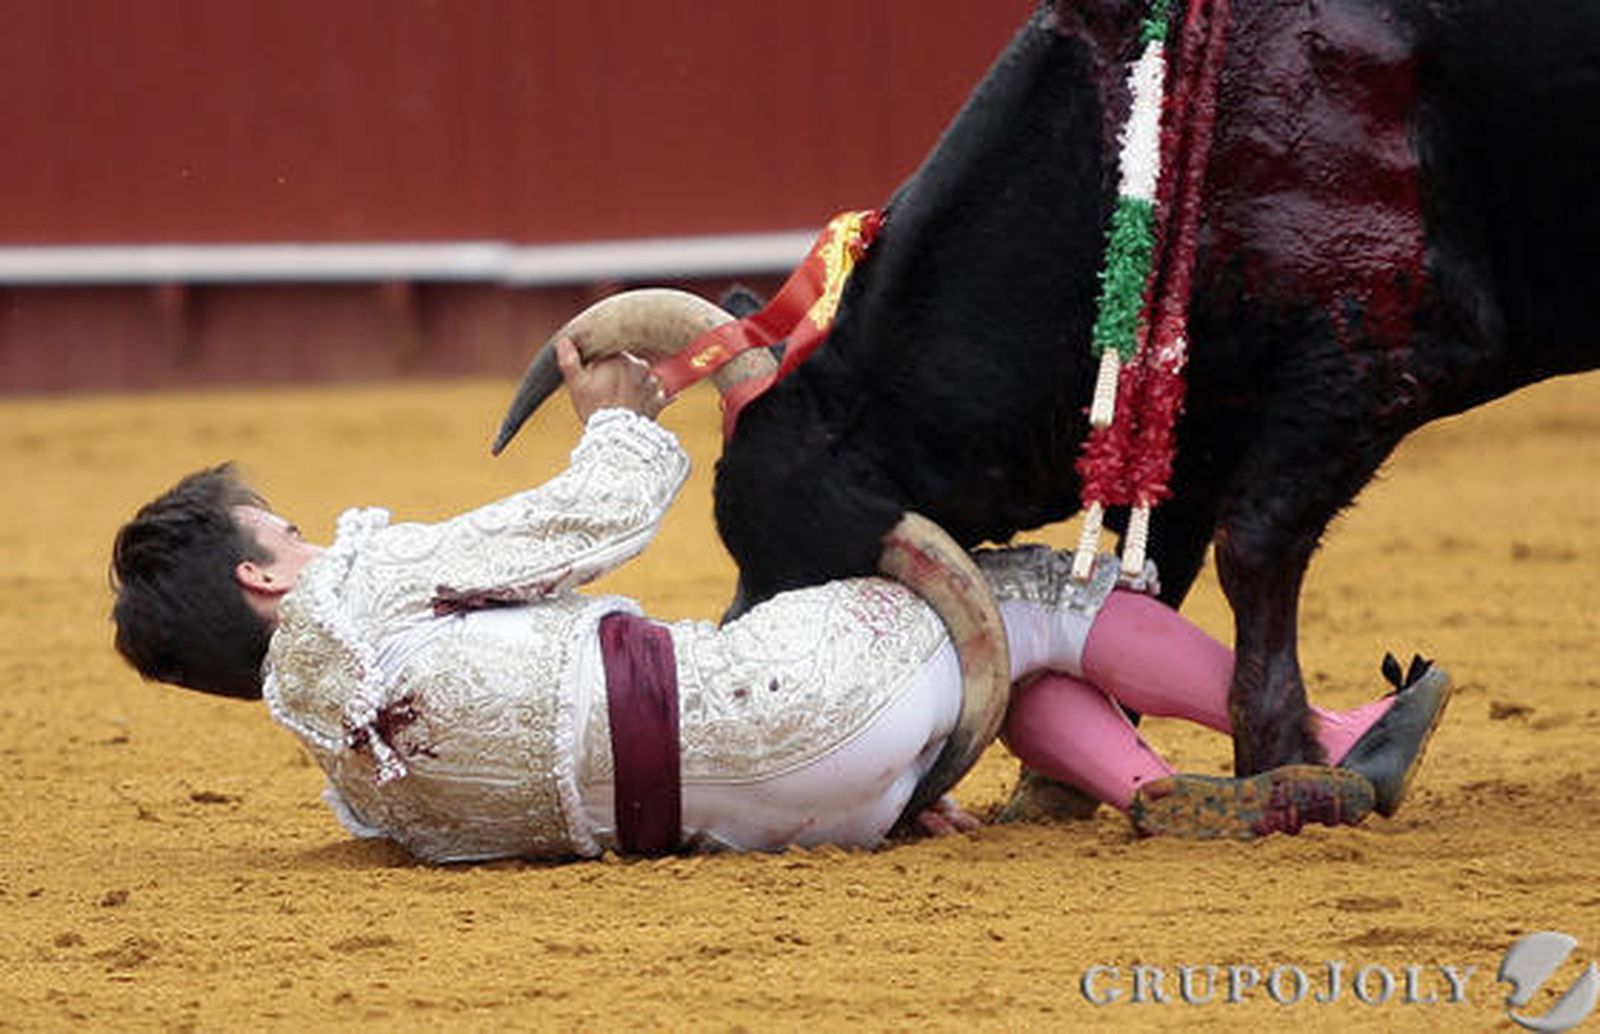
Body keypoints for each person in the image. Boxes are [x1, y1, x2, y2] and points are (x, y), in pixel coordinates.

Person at [109, 341, 1451, 864]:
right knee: (1026, 590)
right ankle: (1318, 735)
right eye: (283, 529)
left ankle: (1150, 791)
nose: (311, 534)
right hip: (783, 699)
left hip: (784, 822)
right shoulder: (359, 582)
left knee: (980, 656)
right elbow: (588, 519)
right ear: (261, 576)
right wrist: (619, 414)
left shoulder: (362, 796)